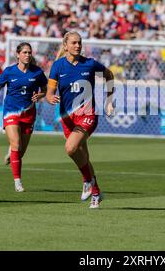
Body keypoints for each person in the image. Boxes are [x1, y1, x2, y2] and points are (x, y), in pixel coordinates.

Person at [46, 31, 114, 209]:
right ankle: (97, 192)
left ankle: (86, 180)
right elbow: (49, 92)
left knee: (70, 148)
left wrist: (109, 101)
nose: (77, 45)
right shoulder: (58, 66)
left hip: (88, 114)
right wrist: (50, 97)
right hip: (67, 118)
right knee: (82, 156)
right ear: (65, 45)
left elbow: (109, 75)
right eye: (74, 43)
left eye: (79, 42)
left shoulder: (90, 64)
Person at [0, 42, 48, 192]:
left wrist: (40, 95)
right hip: (11, 112)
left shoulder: (37, 72)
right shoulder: (9, 72)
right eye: (24, 52)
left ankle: (11, 153)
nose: (27, 55)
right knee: (16, 145)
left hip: (28, 114)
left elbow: (45, 90)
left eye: (29, 52)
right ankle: (17, 182)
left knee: (20, 152)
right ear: (18, 55)